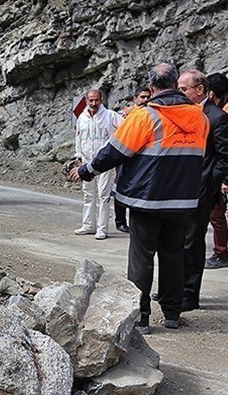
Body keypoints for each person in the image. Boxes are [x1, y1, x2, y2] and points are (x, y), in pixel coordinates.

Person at [70, 63, 209, 334]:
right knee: (174, 256)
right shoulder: (199, 118)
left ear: (153, 87)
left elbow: (115, 152)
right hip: (181, 200)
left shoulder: (144, 116)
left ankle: (141, 316)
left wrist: (87, 170)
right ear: (174, 83)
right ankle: (172, 314)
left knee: (141, 258)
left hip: (147, 199)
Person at [176, 70, 228, 311]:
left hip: (200, 191)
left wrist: (208, 184)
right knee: (175, 240)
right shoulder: (182, 114)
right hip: (177, 188)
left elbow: (224, 158)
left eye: (184, 89)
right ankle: (173, 289)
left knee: (193, 243)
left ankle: (189, 295)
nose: (179, 93)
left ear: (200, 90)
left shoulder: (217, 117)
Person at [72, 89, 124, 239]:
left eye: (96, 100)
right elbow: (79, 138)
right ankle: (88, 225)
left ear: (101, 100)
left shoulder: (110, 116)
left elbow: (125, 129)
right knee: (88, 194)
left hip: (104, 162)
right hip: (87, 160)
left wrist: (115, 152)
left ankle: (102, 228)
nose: (93, 103)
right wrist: (78, 155)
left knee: (103, 195)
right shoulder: (82, 118)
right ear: (86, 101)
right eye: (91, 100)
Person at [114, 87, 152, 232]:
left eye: (148, 96)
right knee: (120, 187)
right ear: (135, 99)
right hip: (125, 155)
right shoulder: (125, 115)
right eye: (142, 97)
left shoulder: (152, 114)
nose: (145, 100)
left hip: (142, 158)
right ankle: (120, 221)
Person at [205, 74, 228, 270]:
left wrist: (223, 179)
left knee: (217, 214)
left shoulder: (221, 114)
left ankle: (221, 252)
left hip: (222, 174)